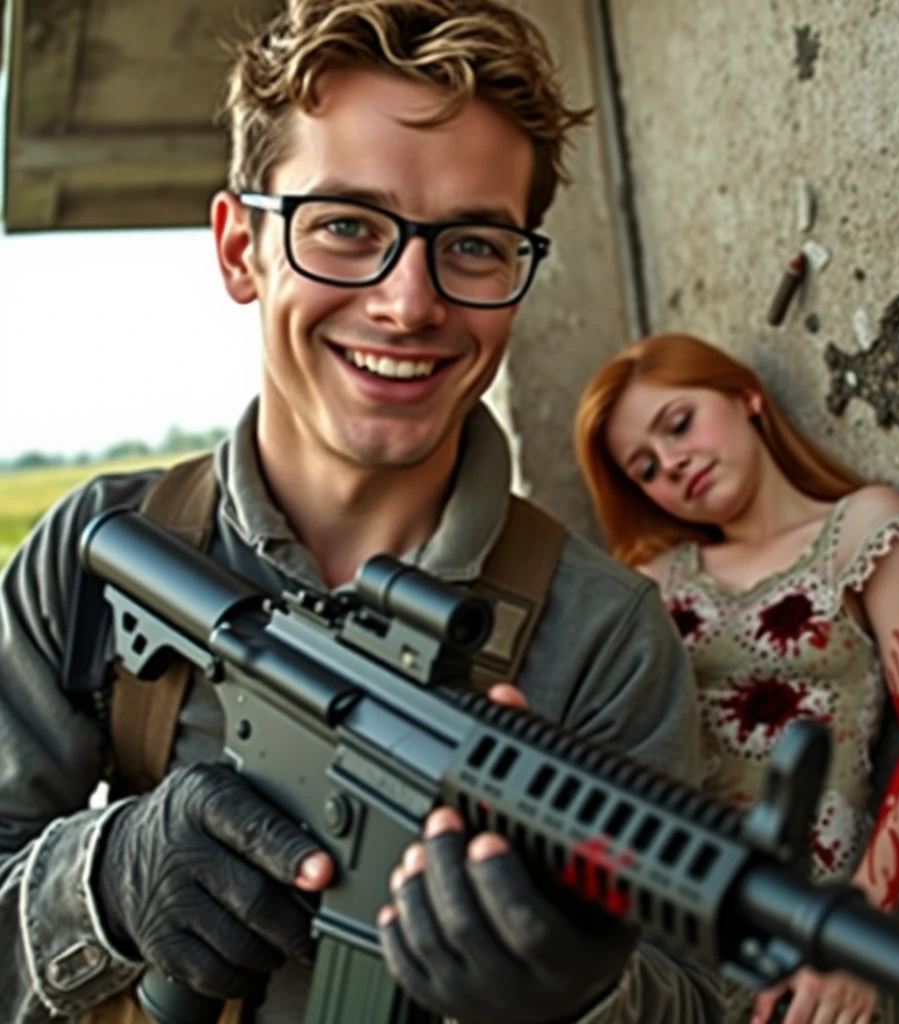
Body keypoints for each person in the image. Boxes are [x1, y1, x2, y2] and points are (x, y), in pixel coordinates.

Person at [0, 5, 720, 1024]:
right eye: (345, 227)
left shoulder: (601, 634)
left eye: (473, 243)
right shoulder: (94, 557)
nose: (408, 301)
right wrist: (107, 882)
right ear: (239, 248)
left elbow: (695, 997)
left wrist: (583, 993)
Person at [574, 333, 899, 1024]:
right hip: (666, 949)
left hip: (811, 951)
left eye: (679, 423)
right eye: (645, 467)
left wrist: (857, 939)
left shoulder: (861, 529)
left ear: (745, 395)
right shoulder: (650, 584)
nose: (673, 463)